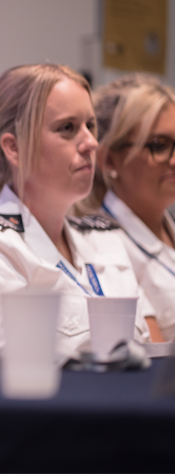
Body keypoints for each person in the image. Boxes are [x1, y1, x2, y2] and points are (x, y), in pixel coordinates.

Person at [0, 64, 157, 359]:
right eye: (68, 128)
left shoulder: (105, 240)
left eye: (91, 125)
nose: (91, 143)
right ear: (14, 149)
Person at [81, 74, 175, 341]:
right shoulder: (101, 249)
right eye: (159, 146)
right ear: (109, 159)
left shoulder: (167, 228)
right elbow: (153, 359)